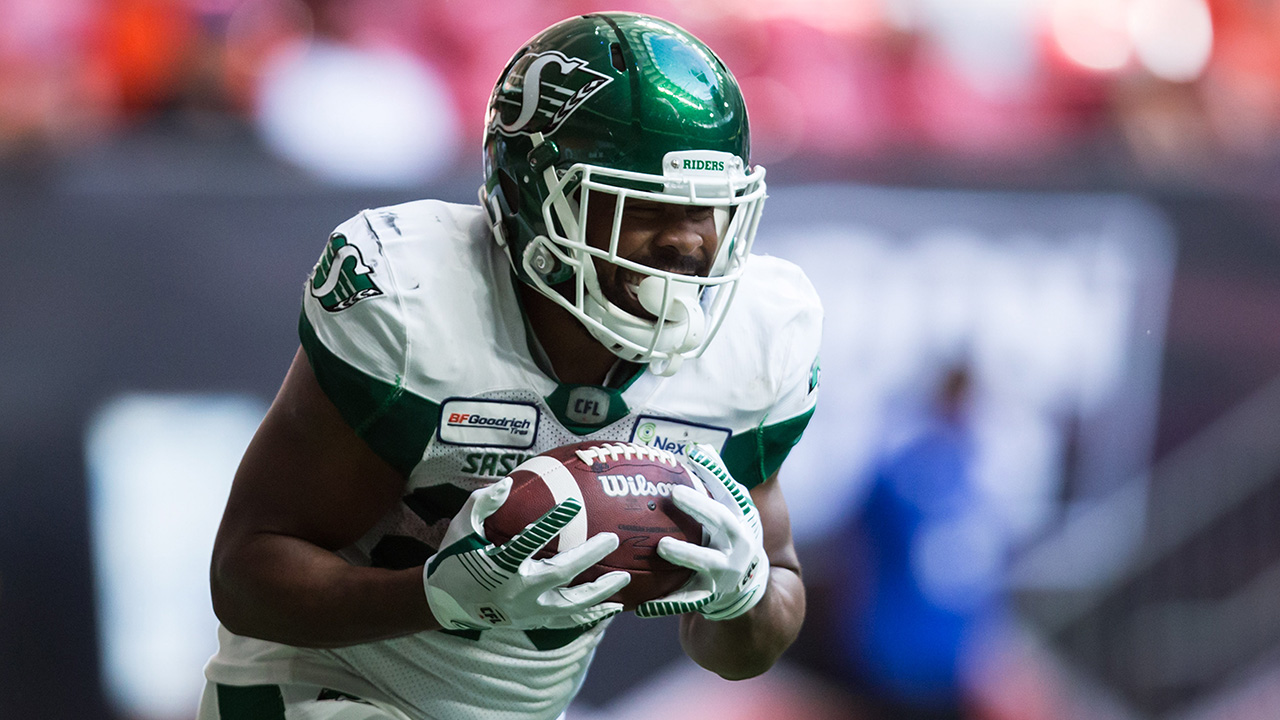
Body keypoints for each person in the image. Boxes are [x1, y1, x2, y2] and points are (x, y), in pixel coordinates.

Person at [198, 12, 822, 720]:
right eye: (640, 203)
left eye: (711, 209)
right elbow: (246, 576)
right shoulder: (415, 302)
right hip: (331, 686)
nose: (687, 243)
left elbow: (746, 644)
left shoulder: (758, 337)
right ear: (532, 196)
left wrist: (744, 594)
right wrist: (435, 596)